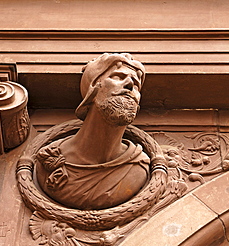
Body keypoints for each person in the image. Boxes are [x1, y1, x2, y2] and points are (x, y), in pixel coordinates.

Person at [35, 53, 150, 210]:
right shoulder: (49, 158)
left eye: (136, 85)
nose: (130, 84)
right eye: (117, 77)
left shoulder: (137, 166)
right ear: (93, 88)